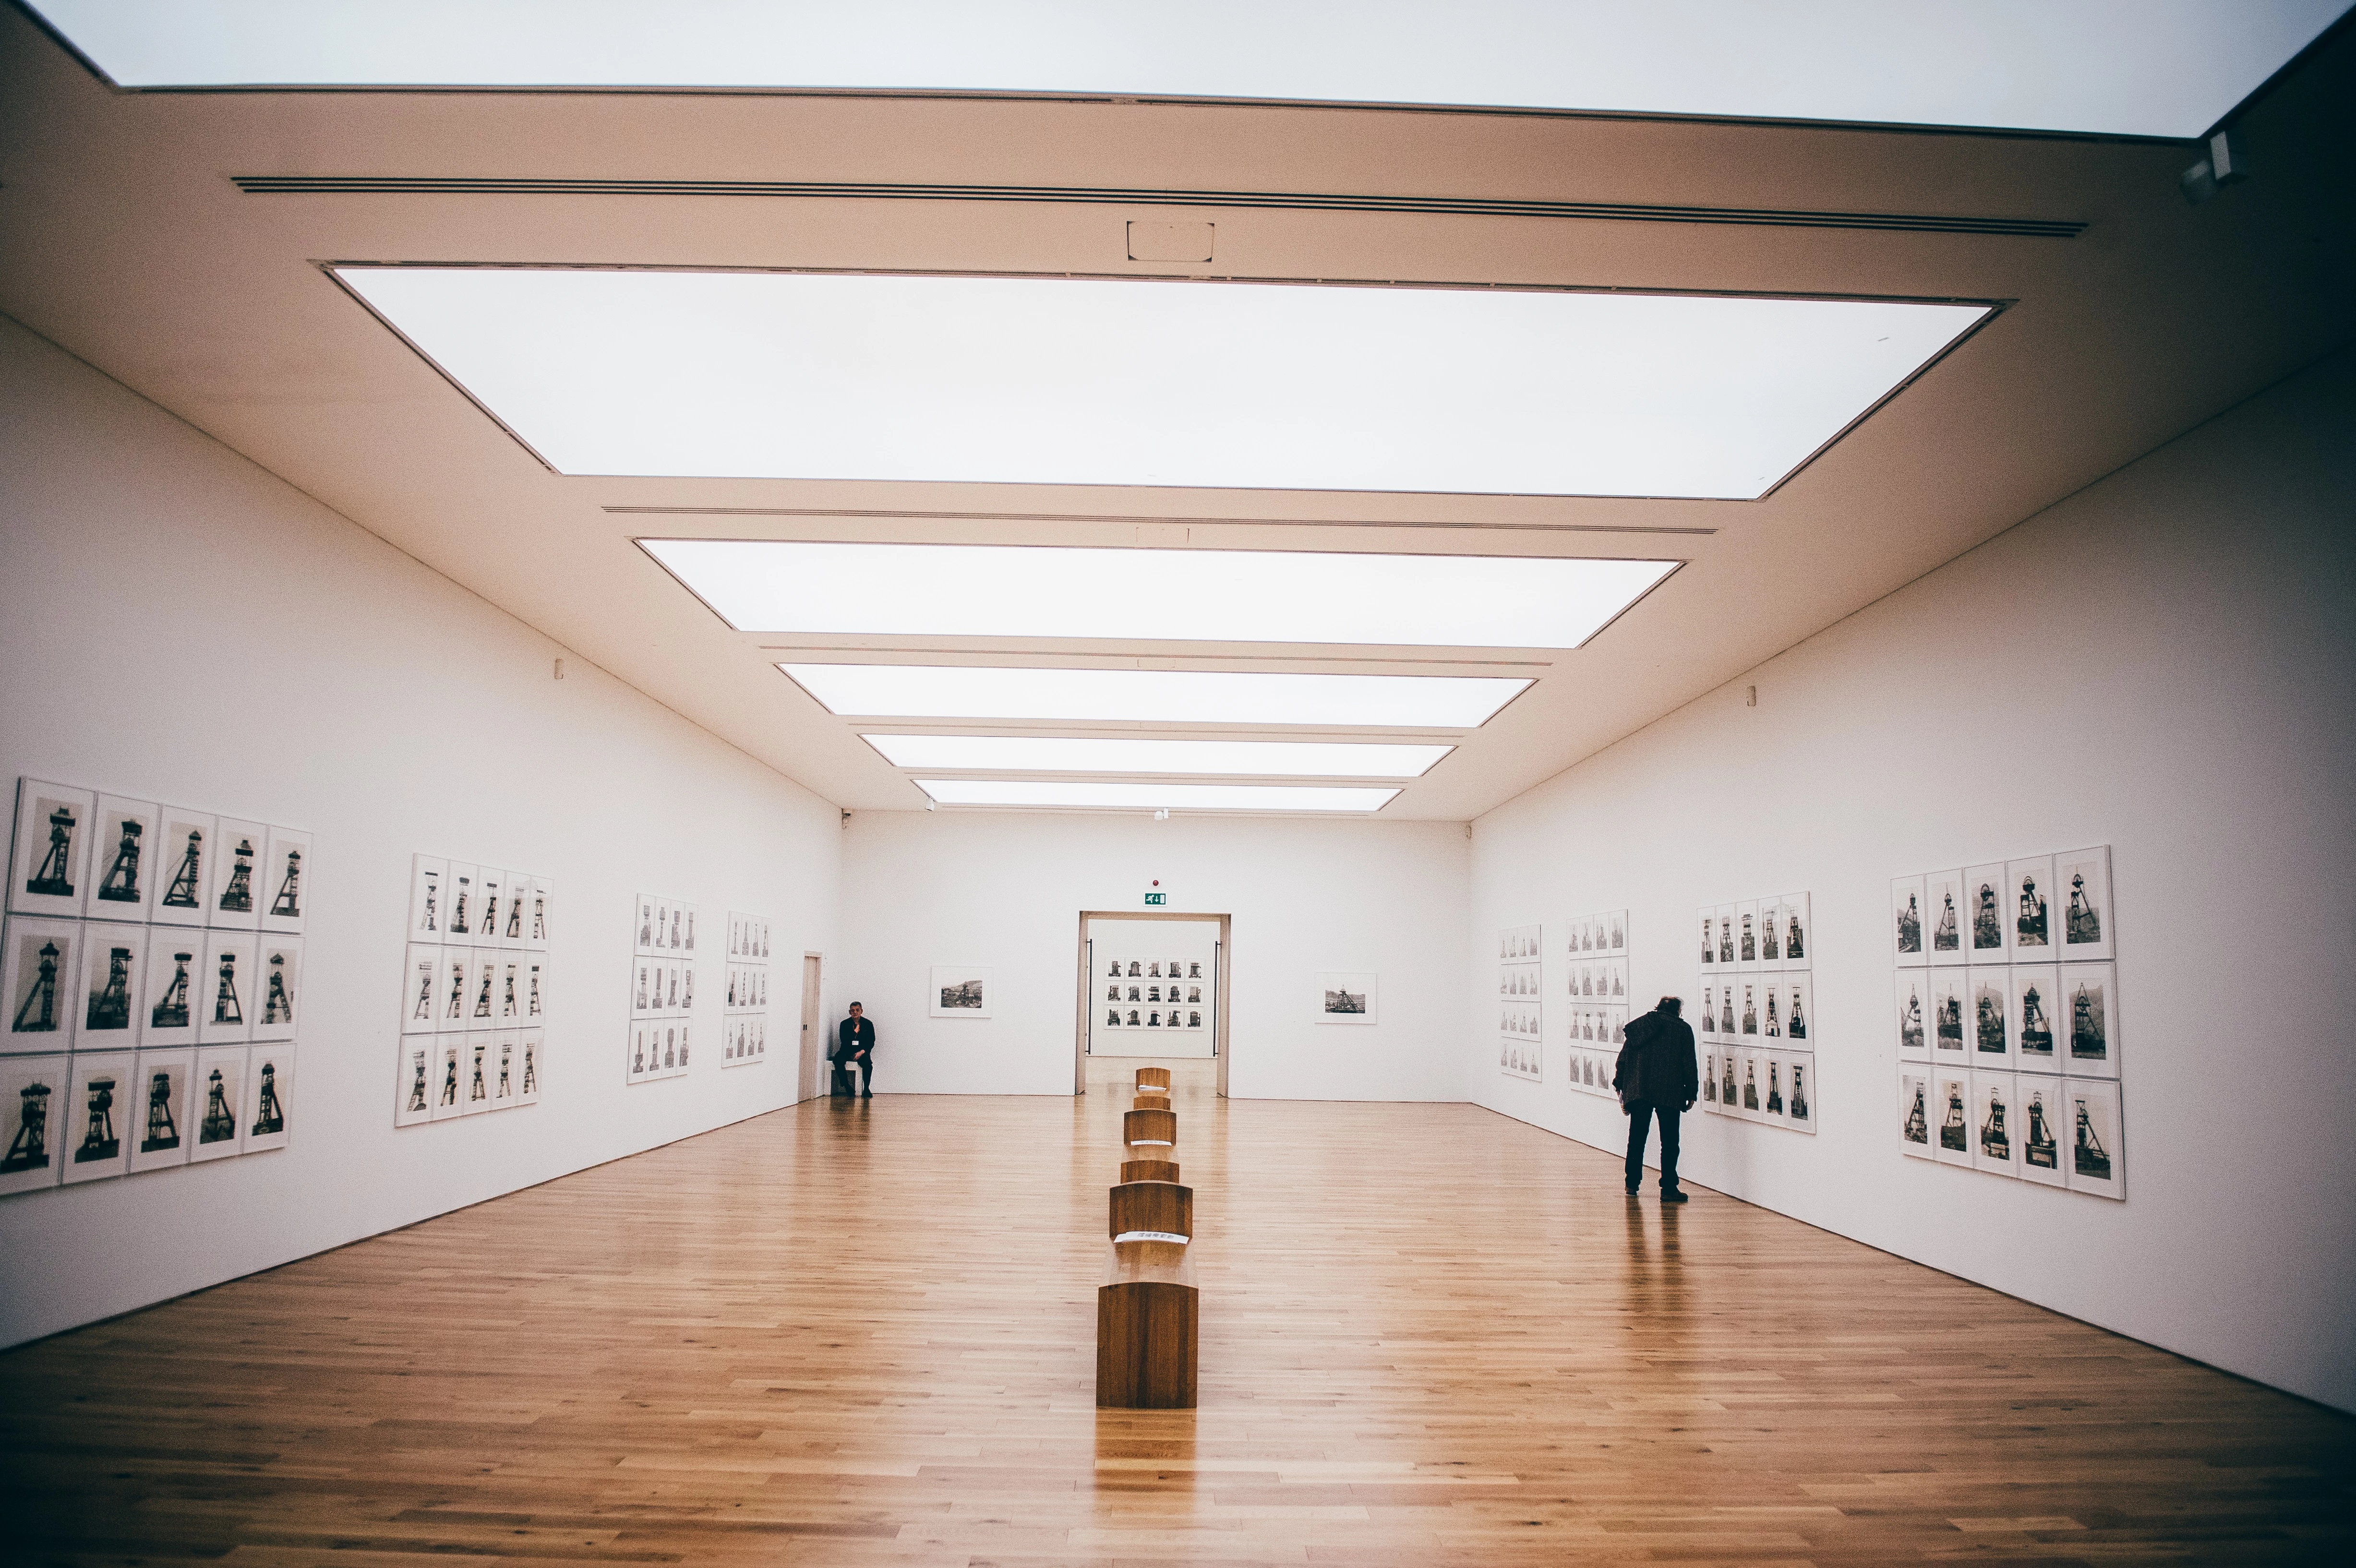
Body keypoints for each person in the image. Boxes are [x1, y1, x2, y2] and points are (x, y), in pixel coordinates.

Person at [1614, 995, 1697, 1201]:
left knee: (1637, 1139)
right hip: (1670, 1092)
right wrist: (1691, 1093)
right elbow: (1689, 1064)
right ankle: (1669, 1189)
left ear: (1658, 1008)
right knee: (1669, 1142)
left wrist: (1619, 1085)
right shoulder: (1683, 1030)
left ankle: (1631, 1184)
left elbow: (1623, 1058)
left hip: (1640, 1090)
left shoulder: (1641, 1025)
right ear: (1678, 1011)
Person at [834, 1002, 875, 1098]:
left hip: (862, 1051)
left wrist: (862, 1052)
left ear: (862, 1011)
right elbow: (844, 1040)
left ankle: (866, 1089)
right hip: (847, 1050)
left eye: (857, 1010)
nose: (855, 1013)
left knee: (868, 1064)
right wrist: (854, 1032)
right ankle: (847, 1086)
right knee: (838, 1060)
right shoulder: (844, 1024)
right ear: (850, 1012)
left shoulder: (868, 1024)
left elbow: (871, 1041)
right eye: (853, 1011)